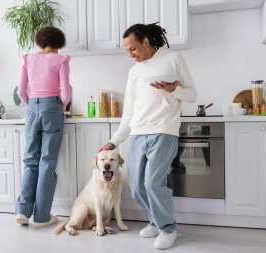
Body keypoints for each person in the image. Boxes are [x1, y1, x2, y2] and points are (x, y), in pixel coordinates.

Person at [99, 23, 197, 250]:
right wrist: (114, 141)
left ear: (145, 41)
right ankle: (156, 219)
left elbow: (192, 93)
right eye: (127, 50)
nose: (130, 54)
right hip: (137, 133)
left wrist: (174, 90)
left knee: (153, 183)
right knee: (136, 187)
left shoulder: (173, 58)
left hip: (164, 131)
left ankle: (168, 228)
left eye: (132, 48)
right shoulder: (135, 72)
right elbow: (129, 112)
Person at [15, 26, 71, 228]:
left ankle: (22, 212)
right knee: (47, 163)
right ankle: (42, 216)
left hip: (31, 109)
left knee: (30, 160)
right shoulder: (61, 60)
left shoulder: (27, 58)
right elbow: (66, 93)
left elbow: (22, 91)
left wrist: (31, 108)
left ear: (40, 42)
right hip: (52, 108)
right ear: (58, 43)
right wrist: (59, 107)